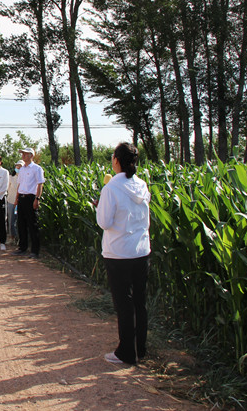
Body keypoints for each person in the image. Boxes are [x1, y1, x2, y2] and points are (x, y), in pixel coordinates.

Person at [96, 142, 151, 365]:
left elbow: (104, 222)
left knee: (124, 304)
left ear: (116, 161)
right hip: (141, 250)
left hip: (118, 252)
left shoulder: (111, 188)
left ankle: (126, 352)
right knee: (139, 302)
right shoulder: (142, 185)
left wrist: (99, 206)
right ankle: (141, 349)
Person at [13, 147, 45, 259]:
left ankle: (35, 251)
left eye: (25, 154)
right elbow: (19, 185)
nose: (22, 156)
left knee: (32, 224)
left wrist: (37, 199)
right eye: (22, 154)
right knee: (21, 223)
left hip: (31, 198)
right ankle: (22, 248)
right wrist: (17, 199)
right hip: (21, 198)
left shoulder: (37, 169)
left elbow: (40, 184)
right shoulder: (22, 169)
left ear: (31, 155)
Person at [6, 160, 24, 244]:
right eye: (17, 166)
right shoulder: (11, 178)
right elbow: (7, 189)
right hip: (11, 201)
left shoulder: (25, 178)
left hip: (21, 203)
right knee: (11, 221)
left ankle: (20, 238)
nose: (18, 168)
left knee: (20, 221)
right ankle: (12, 237)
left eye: (20, 166)